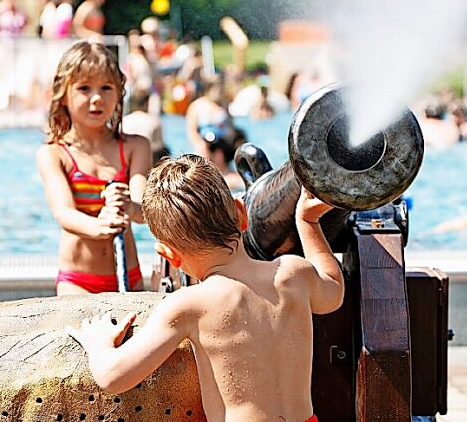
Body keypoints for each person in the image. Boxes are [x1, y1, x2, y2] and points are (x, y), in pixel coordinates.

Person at [67, 154, 343, 422]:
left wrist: (99, 343)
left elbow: (113, 376)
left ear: (169, 255)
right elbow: (334, 291)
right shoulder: (293, 274)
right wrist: (308, 222)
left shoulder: (190, 305)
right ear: (241, 213)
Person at [36, 41, 152, 295]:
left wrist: (129, 206)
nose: (97, 98)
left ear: (120, 92)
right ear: (63, 95)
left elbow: (144, 213)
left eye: (106, 88)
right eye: (84, 88)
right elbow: (64, 214)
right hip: (78, 281)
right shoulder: (54, 154)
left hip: (127, 276)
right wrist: (100, 227)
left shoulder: (135, 147)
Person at [186, 75, 235, 157]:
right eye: (216, 89)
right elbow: (191, 131)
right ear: (209, 88)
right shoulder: (197, 106)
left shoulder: (224, 105)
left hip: (222, 147)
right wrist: (200, 144)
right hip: (204, 146)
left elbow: (231, 126)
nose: (219, 92)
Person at [122, 85, 168, 165]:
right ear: (147, 103)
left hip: (126, 162)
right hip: (149, 164)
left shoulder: (124, 121)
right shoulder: (154, 121)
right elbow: (159, 150)